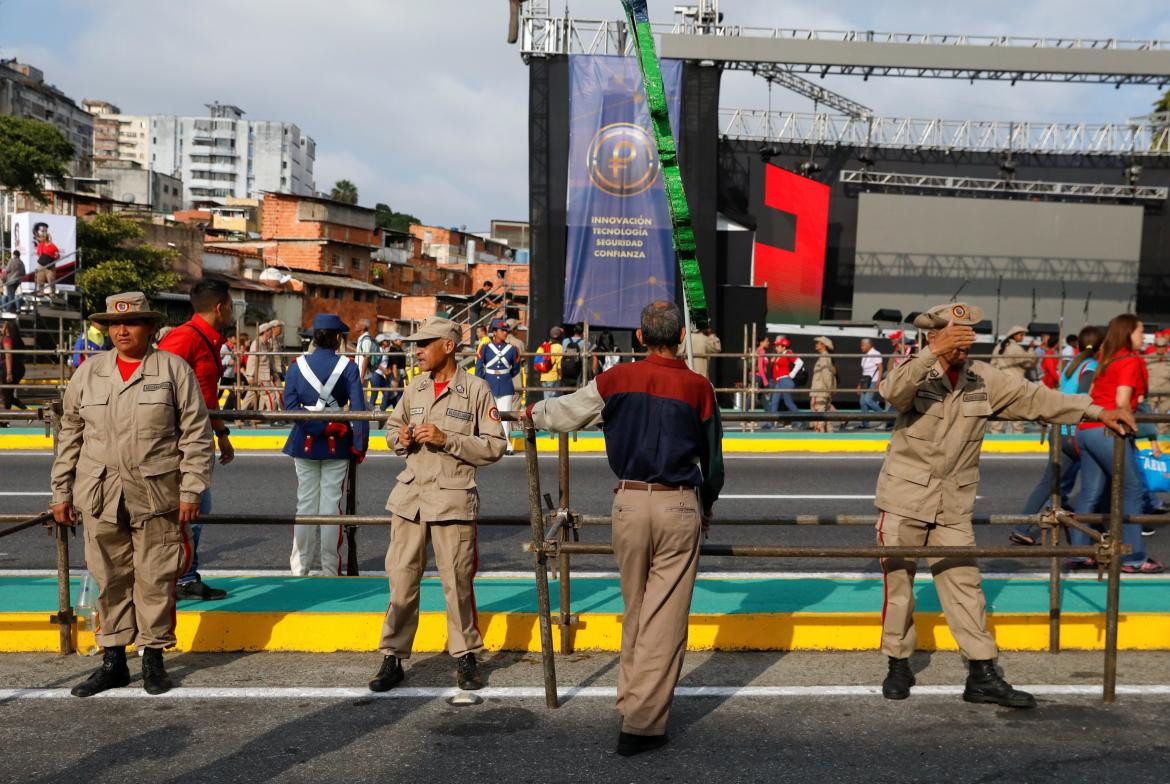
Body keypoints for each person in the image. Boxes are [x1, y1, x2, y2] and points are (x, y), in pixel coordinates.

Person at [875, 302, 1132, 708]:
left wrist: (1098, 410)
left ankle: (982, 674)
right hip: (903, 498)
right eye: (952, 337)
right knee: (900, 587)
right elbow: (891, 392)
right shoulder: (916, 371)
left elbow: (1039, 399)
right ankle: (897, 663)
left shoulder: (984, 378)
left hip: (952, 504)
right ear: (933, 336)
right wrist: (934, 353)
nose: (962, 345)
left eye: (966, 338)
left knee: (965, 588)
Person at [528, 301, 724, 756]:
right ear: (680, 339)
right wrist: (706, 503)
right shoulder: (699, 387)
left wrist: (529, 415)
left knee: (636, 608)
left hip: (629, 503)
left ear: (639, 337)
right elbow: (713, 462)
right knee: (665, 619)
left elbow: (565, 412)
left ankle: (629, 699)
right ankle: (641, 724)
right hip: (678, 504)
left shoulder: (615, 379)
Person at [50, 291, 213, 697]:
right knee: (109, 577)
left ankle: (154, 658)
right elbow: (70, 433)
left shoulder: (172, 370)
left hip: (156, 492)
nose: (122, 330)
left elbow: (197, 435)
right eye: (114, 324)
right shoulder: (89, 372)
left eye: (133, 322)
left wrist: (192, 489)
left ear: (151, 327)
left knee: (156, 577)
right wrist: (61, 490)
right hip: (100, 492)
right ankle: (114, 661)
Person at [369, 317, 506, 693]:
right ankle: (392, 656)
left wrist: (448, 439)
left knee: (457, 582)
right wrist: (402, 437)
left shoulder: (476, 389)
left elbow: (496, 445)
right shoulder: (415, 387)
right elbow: (389, 433)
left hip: (453, 498)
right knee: (401, 580)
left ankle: (465, 658)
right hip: (410, 498)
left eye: (424, 343)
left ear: (447, 345)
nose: (417, 351)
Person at [158, 279, 237, 601]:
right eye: (231, 305)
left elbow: (207, 395)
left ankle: (185, 576)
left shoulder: (207, 339)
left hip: (199, 439)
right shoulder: (185, 339)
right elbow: (159, 385)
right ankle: (174, 578)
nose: (232, 312)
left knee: (196, 512)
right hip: (180, 444)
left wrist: (221, 433)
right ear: (221, 307)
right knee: (189, 511)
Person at [1069, 314, 1165, 573]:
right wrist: (1131, 427)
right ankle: (1133, 558)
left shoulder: (1105, 357)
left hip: (1087, 429)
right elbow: (1123, 402)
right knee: (1132, 490)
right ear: (1127, 333)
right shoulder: (1130, 360)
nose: (1142, 337)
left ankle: (1078, 553)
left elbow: (1091, 395)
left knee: (1091, 491)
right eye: (1140, 331)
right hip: (1109, 430)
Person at [283, 314, 369, 575]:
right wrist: (359, 444)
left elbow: (289, 408)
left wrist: (316, 427)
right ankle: (331, 568)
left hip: (304, 441)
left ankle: (300, 568)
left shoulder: (297, 366)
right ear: (337, 339)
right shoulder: (349, 367)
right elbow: (358, 409)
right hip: (337, 442)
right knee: (331, 506)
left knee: (305, 504)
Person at [1010, 325, 1104, 546]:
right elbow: (1083, 397)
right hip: (1076, 433)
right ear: (1101, 347)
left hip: (1059, 430)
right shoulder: (1091, 366)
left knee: (1049, 483)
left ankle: (1022, 527)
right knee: (1098, 483)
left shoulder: (1072, 364)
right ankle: (1099, 529)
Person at [475, 318, 521, 453]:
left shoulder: (513, 349)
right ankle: (488, 443)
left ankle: (507, 444)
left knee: (505, 416)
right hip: (489, 384)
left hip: (506, 385)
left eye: (506, 330)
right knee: (488, 415)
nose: (505, 333)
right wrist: (481, 382)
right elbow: (479, 367)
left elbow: (516, 369)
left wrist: (506, 376)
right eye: (502, 330)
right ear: (494, 332)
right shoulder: (485, 348)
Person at [989, 326, 1037, 433]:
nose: (1023, 337)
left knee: (998, 413)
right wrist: (1031, 349)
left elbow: (992, 365)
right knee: (1017, 414)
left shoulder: (998, 347)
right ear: (1014, 335)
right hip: (1015, 385)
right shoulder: (1015, 348)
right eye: (1021, 335)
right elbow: (1029, 362)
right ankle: (1018, 440)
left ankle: (995, 438)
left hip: (1000, 384)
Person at [765, 336, 804, 427]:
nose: (776, 348)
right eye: (776, 346)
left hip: (785, 380)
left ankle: (800, 421)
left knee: (788, 402)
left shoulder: (788, 353)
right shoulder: (778, 355)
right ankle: (770, 424)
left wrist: (792, 374)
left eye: (778, 346)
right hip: (779, 381)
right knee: (774, 402)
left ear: (784, 347)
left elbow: (800, 362)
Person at [243, 321, 279, 414]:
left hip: (265, 375)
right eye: (270, 330)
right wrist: (249, 375)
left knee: (250, 396)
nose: (272, 332)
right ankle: (272, 417)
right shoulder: (257, 343)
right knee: (270, 395)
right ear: (265, 331)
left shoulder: (267, 343)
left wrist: (273, 372)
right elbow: (252, 359)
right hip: (259, 376)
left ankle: (238, 415)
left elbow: (270, 360)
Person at [810, 336, 837, 433]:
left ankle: (818, 440)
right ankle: (830, 440)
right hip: (824, 391)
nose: (816, 344)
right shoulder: (827, 357)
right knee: (827, 418)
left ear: (824, 345)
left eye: (818, 343)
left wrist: (830, 388)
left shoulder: (823, 357)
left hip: (819, 391)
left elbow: (826, 374)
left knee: (818, 417)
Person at [1, 316, 27, 414]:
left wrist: (8, 372)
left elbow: (8, 355)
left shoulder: (7, 339)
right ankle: (25, 409)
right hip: (19, 369)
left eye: (3, 326)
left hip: (9, 368)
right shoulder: (18, 340)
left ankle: (6, 418)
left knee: (6, 395)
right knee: (8, 394)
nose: (2, 328)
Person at [1145, 332, 1170, 436]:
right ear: (1155, 347)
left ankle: (1162, 439)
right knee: (1147, 417)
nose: (1161, 349)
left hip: (1166, 393)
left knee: (1163, 420)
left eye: (1163, 346)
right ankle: (1149, 439)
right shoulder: (1147, 359)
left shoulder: (1169, 359)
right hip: (1151, 392)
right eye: (1158, 346)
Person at [857, 338, 884, 428]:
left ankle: (886, 417)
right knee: (862, 402)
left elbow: (880, 367)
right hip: (865, 381)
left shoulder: (875, 353)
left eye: (862, 345)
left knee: (868, 400)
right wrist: (859, 385)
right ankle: (865, 424)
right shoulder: (865, 355)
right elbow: (864, 371)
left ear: (868, 345)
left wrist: (879, 381)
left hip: (873, 380)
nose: (861, 347)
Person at [537, 325, 564, 401]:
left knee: (546, 399)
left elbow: (537, 362)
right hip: (553, 378)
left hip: (543, 377)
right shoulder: (559, 347)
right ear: (559, 336)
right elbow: (559, 366)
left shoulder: (544, 345)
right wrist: (561, 379)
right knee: (552, 401)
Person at [33, 222, 60, 297]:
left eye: (46, 237)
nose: (45, 238)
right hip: (41, 265)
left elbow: (57, 256)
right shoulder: (41, 245)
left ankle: (52, 293)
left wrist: (55, 256)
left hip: (50, 266)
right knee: (40, 279)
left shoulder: (53, 246)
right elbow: (38, 253)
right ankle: (40, 292)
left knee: (51, 280)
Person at [352, 318, 375, 390]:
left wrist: (362, 376)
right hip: (360, 373)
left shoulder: (366, 340)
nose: (356, 325)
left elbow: (366, 358)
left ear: (363, 327)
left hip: (363, 375)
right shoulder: (362, 338)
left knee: (362, 396)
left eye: (358, 324)